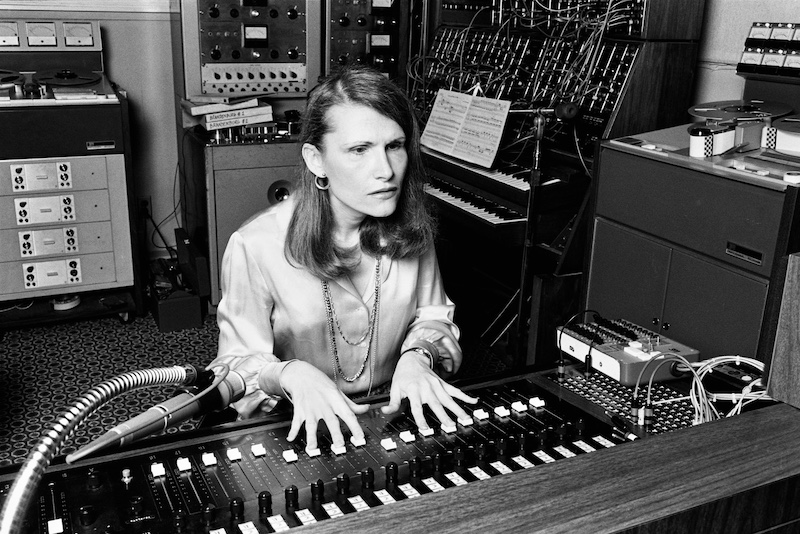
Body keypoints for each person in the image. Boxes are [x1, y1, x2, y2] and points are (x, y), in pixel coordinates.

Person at [210, 65, 477, 453]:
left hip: (394, 414)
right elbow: (233, 370)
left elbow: (434, 317)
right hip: (294, 425)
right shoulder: (255, 245)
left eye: (395, 146)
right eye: (359, 150)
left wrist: (419, 356)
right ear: (316, 160)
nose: (385, 171)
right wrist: (289, 374)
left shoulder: (411, 230)